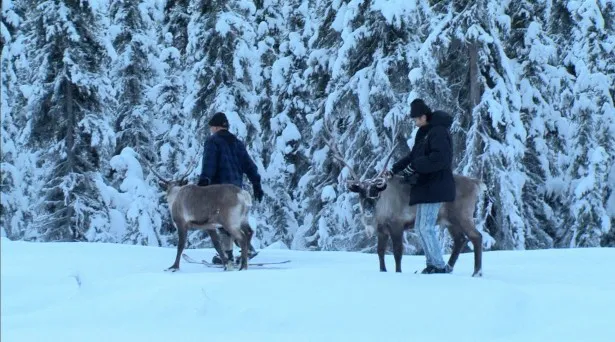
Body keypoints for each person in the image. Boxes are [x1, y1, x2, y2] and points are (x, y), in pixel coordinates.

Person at [388, 99, 456, 274]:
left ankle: (439, 266)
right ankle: (432, 264)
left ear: (424, 116)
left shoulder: (438, 132)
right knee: (420, 227)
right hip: (425, 184)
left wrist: (416, 166)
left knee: (426, 227)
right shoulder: (424, 133)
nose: (414, 122)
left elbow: (441, 159)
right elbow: (413, 157)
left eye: (416, 119)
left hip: (436, 183)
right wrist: (394, 169)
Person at [197, 112, 264, 264]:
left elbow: (209, 164)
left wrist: (203, 183)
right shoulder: (237, 143)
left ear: (214, 127)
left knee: (221, 221)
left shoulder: (212, 142)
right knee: (233, 220)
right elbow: (249, 165)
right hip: (236, 191)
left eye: (211, 128)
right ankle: (243, 250)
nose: (211, 130)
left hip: (219, 191)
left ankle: (228, 255)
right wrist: (256, 184)